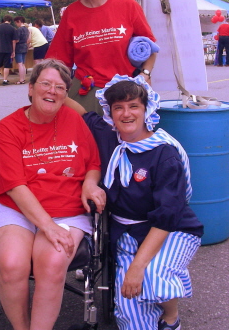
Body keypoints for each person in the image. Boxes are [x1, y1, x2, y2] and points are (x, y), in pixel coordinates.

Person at [66, 74, 204, 330]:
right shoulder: (109, 136)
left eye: (133, 106)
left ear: (147, 109)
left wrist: (137, 267)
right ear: (110, 111)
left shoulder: (164, 153)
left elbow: (167, 216)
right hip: (126, 234)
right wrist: (53, 91)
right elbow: (83, 112)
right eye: (118, 107)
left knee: (153, 275)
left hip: (172, 230)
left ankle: (171, 318)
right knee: (130, 316)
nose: (126, 114)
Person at [0, 59, 105, 330]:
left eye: (60, 87)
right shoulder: (8, 127)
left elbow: (93, 163)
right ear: (31, 89)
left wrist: (90, 184)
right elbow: (14, 185)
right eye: (45, 84)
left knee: (53, 260)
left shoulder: (74, 120)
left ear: (65, 95)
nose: (52, 91)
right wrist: (47, 225)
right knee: (11, 264)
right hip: (14, 206)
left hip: (65, 205)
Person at [46, 0, 157, 114]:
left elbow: (151, 47)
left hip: (125, 93)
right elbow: (59, 62)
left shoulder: (128, 6)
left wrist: (145, 74)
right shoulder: (71, 13)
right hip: (86, 94)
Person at [0, 14, 18, 85]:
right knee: (7, 65)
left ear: (4, 20)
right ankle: (5, 80)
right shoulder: (12, 28)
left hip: (0, 48)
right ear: (10, 21)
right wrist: (13, 51)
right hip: (8, 49)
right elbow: (14, 41)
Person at [13, 16, 30, 84]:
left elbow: (17, 40)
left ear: (19, 21)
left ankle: (21, 79)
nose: (16, 24)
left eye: (16, 23)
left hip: (19, 47)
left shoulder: (19, 30)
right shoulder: (26, 29)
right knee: (23, 64)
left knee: (19, 64)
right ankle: (23, 78)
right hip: (25, 46)